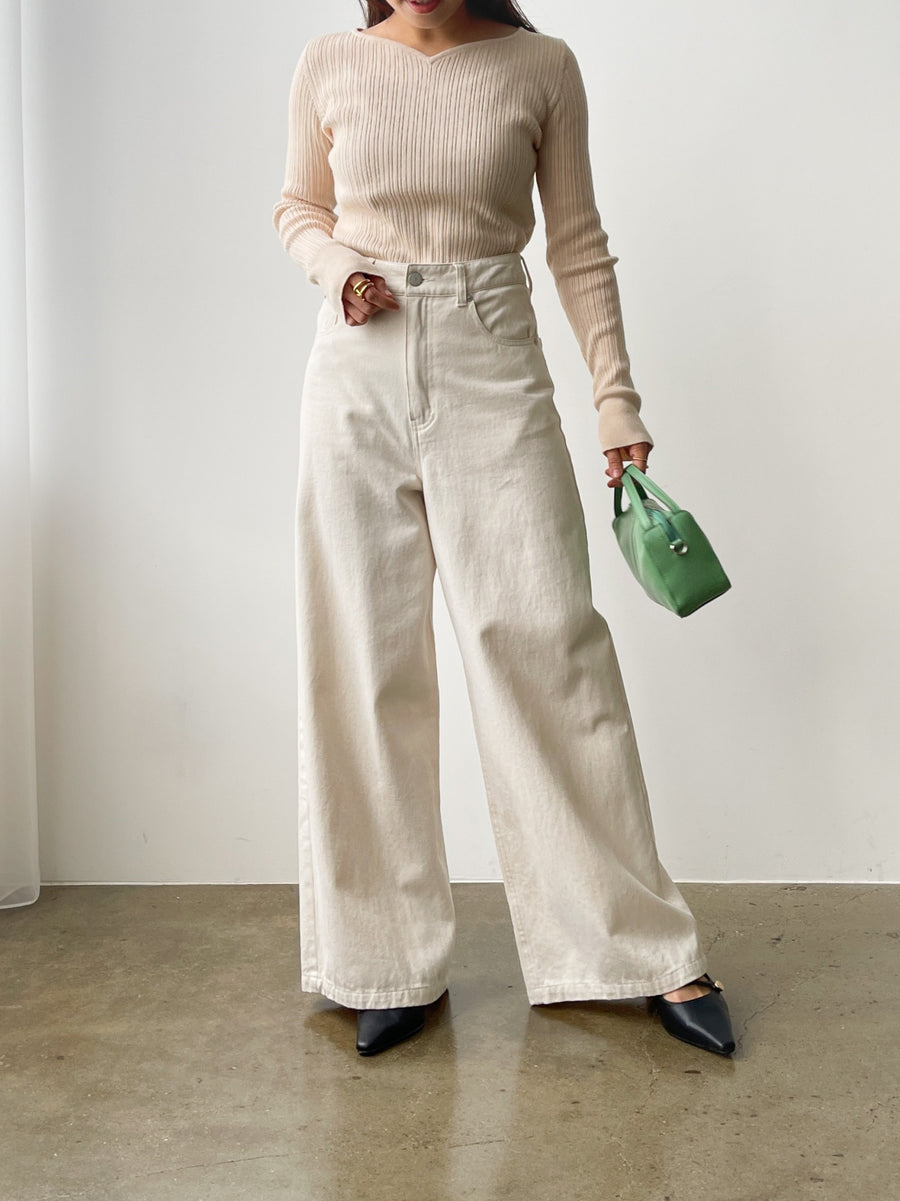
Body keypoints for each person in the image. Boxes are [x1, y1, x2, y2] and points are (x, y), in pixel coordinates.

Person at [272, 0, 736, 1058]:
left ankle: (639, 950)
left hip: (493, 349)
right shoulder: (329, 62)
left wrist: (614, 398)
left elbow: (577, 241)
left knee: (547, 646)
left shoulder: (541, 66)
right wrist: (338, 268)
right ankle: (381, 960)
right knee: (364, 662)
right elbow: (298, 205)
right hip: (356, 366)